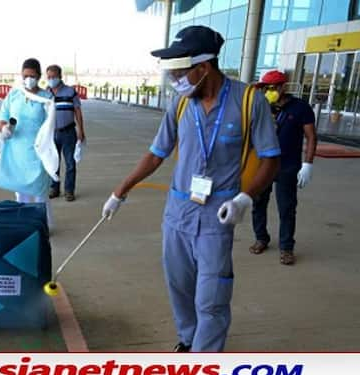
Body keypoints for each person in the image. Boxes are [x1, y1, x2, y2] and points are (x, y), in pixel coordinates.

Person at [101, 26, 281, 352]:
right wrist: (119, 191)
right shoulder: (182, 105)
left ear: (204, 67)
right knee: (180, 288)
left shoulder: (249, 101)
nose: (176, 80)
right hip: (178, 214)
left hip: (218, 215)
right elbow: (157, 153)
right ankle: (188, 340)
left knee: (211, 295)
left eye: (180, 72)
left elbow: (271, 158)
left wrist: (244, 199)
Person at [250, 70, 317, 265]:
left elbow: (311, 136)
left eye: (272, 88)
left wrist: (308, 164)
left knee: (286, 207)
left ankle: (286, 247)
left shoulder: (300, 108)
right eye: (265, 88)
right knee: (258, 203)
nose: (268, 92)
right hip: (263, 164)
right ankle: (261, 238)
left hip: (287, 166)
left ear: (282, 87)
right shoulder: (261, 106)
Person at [0, 58, 57, 226]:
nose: (28, 79)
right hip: (17, 151)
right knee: (21, 193)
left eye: (32, 75)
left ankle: (42, 226)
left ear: (39, 76)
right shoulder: (14, 95)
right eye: (25, 75)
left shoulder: (47, 98)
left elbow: (50, 125)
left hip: (38, 151)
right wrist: (3, 128)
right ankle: (26, 225)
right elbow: (3, 116)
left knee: (40, 193)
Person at [46, 65, 86, 202]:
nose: (51, 79)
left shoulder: (70, 92)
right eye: (49, 77)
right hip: (51, 134)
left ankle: (69, 190)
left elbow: (78, 112)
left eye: (53, 76)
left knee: (70, 163)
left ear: (60, 76)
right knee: (53, 162)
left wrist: (81, 130)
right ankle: (54, 188)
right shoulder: (46, 93)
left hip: (69, 132)